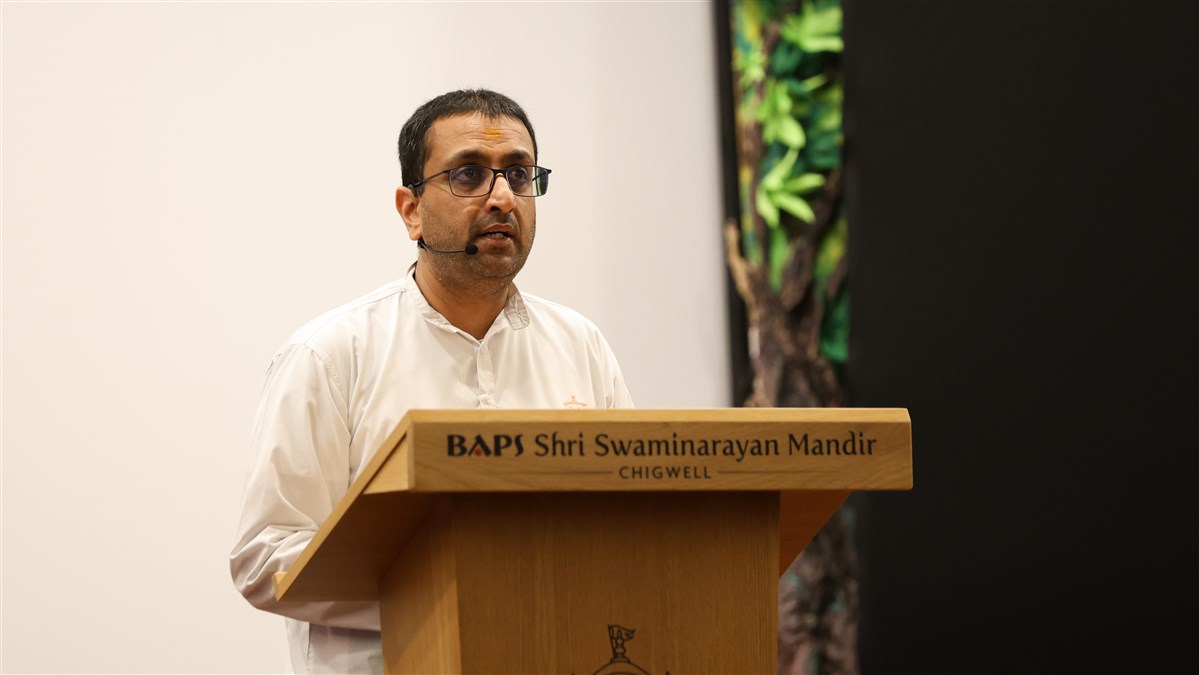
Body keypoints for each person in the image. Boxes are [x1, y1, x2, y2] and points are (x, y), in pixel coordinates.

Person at [229, 89, 634, 674]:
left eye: (519, 175)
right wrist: (448, 591)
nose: (503, 197)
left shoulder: (581, 347)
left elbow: (628, 528)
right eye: (469, 175)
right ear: (411, 209)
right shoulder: (330, 355)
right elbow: (266, 556)